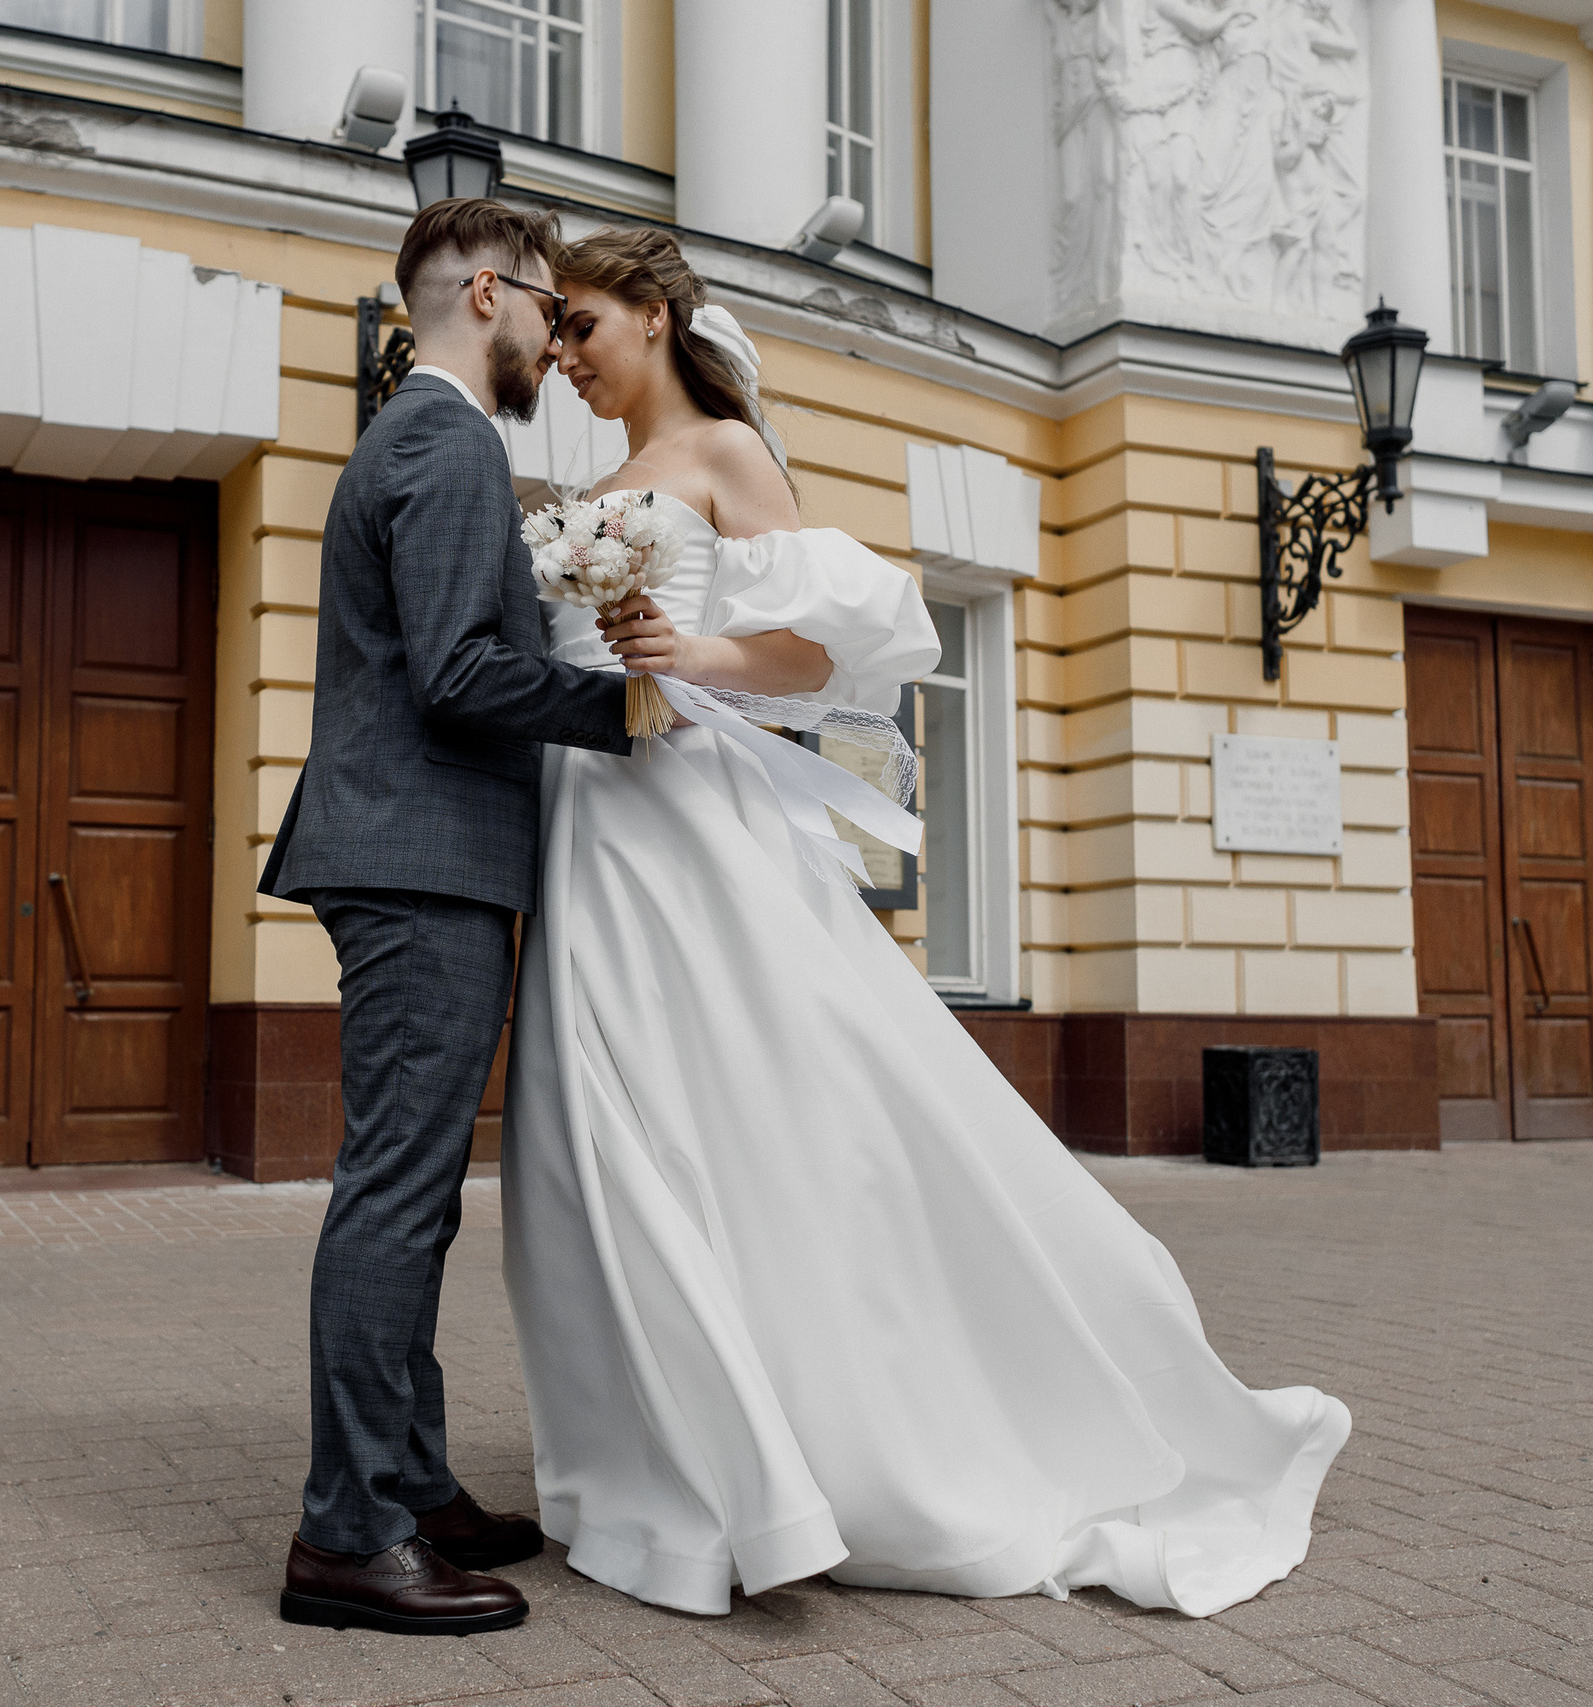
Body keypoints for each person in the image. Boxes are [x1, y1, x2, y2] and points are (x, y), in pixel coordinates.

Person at [504, 225, 1352, 1618]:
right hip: (593, 827)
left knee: (763, 1110)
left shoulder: (727, 455)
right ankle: (671, 1460)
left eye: (584, 326)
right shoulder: (591, 485)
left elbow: (828, 648)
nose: (567, 358)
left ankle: (850, 1426)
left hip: (688, 824)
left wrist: (688, 652)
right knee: (607, 1130)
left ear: (652, 314)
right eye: (557, 336)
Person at [257, 198, 633, 1637]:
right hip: (420, 861)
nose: (556, 332)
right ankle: (349, 1535)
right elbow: (463, 675)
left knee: (409, 1189)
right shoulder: (448, 440)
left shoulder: (427, 440)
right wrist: (632, 707)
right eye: (547, 304)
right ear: (490, 294)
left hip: (418, 855)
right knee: (397, 1192)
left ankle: (406, 1481)